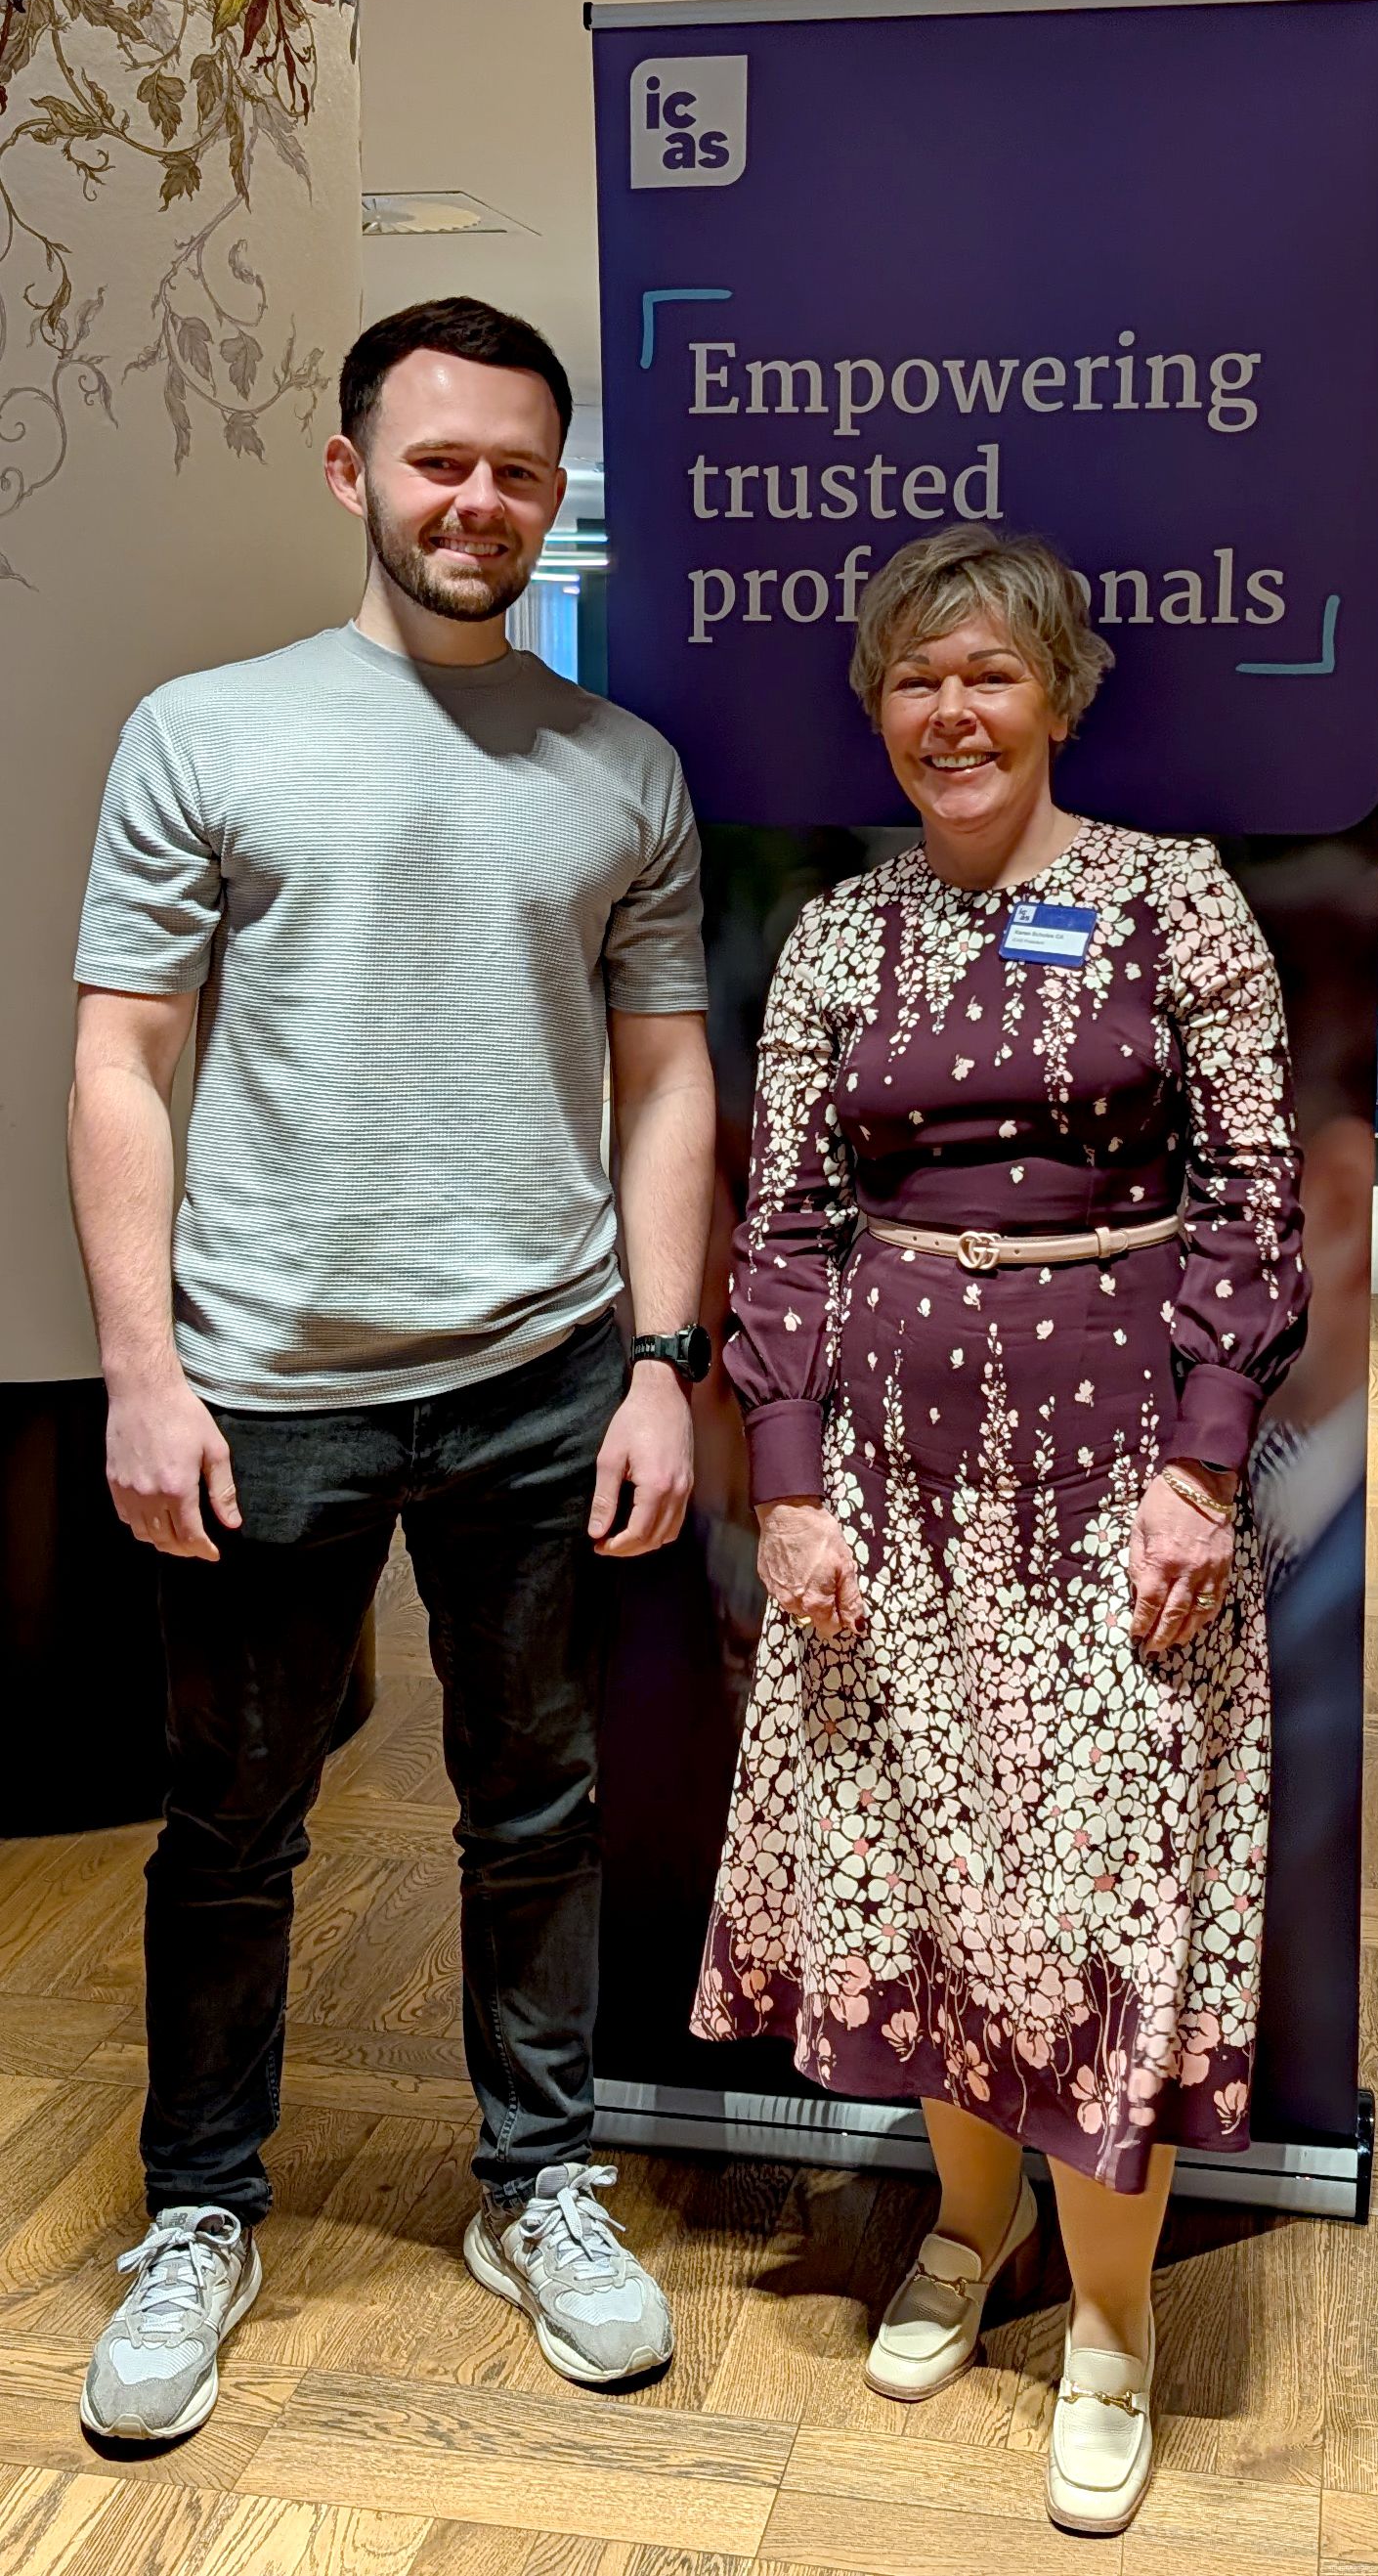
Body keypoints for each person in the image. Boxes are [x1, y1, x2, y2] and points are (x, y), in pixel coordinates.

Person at [67, 295, 715, 2439]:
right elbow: (123, 1056)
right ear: (352, 470)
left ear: (554, 489)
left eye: (518, 468)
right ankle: (199, 2205)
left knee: (534, 1809)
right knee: (232, 1822)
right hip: (266, 1384)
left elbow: (664, 1078)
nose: (479, 500)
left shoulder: (620, 768)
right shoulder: (206, 730)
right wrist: (141, 1368)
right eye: (440, 460)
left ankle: (538, 2181)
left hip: (540, 1374)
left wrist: (656, 1358)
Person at [692, 525, 1308, 2538]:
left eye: (987, 674)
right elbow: (784, 1221)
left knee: (1108, 1893)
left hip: (1121, 1493)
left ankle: (1113, 2318)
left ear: (1055, 693)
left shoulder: (1171, 900)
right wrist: (787, 1480)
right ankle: (971, 2230)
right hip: (893, 1493)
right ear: (876, 708)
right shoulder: (837, 937)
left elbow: (1253, 1201)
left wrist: (1200, 1468)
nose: (949, 714)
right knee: (937, 1875)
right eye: (913, 678)